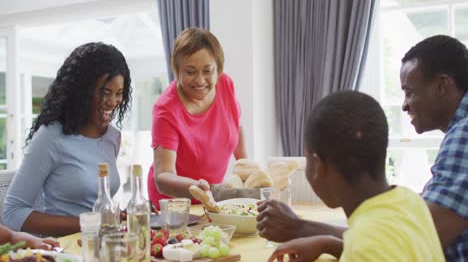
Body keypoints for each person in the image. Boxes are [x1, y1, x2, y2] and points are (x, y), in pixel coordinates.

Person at [257, 35, 468, 261]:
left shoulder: (463, 135)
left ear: (442, 86)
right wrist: (328, 242)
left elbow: (414, 237)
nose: (405, 105)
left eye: (409, 92)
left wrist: (301, 227)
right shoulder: (409, 201)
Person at [267, 91, 444, 261]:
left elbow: (370, 249)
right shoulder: (410, 202)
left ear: (318, 165)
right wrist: (327, 243)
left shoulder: (363, 248)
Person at [3, 42, 132, 236]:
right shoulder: (51, 137)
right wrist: (90, 223)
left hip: (105, 246)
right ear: (81, 91)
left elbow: (96, 201)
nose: (113, 102)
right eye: (105, 93)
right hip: (66, 250)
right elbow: (13, 213)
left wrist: (116, 216)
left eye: (119, 94)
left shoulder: (112, 137)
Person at [148, 27, 246, 209]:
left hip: (211, 199)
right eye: (191, 72)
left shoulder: (226, 85)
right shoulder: (166, 110)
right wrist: (196, 186)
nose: (200, 80)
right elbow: (163, 177)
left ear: (218, 69)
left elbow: (235, 124)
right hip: (175, 206)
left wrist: (247, 170)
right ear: (177, 71)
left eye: (208, 71)